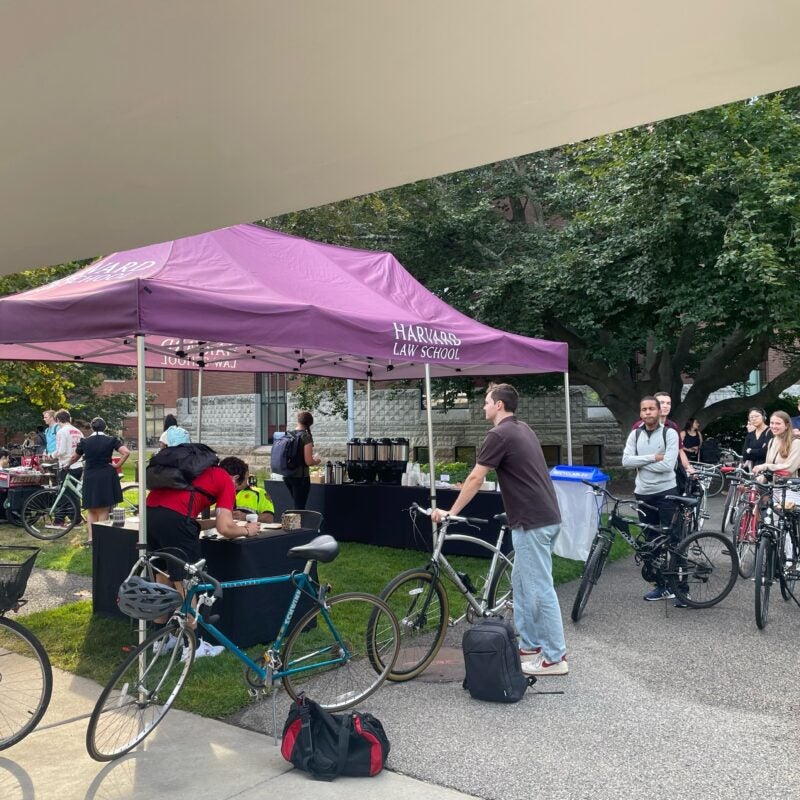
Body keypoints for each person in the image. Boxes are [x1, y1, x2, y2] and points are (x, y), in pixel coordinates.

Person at [431, 383, 567, 677]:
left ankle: (556, 657)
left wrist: (450, 513)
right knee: (521, 584)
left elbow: (476, 477)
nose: (483, 407)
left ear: (499, 406)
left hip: (533, 521)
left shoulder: (499, 433)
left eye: (486, 402)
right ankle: (529, 646)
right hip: (541, 517)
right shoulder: (523, 429)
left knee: (540, 589)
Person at [622, 395, 682, 604]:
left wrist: (640, 463)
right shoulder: (635, 435)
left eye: (651, 409)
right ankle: (661, 586)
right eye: (644, 409)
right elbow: (625, 461)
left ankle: (681, 588)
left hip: (667, 492)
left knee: (674, 540)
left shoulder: (670, 434)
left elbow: (668, 466)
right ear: (640, 413)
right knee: (650, 542)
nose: (648, 412)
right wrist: (652, 457)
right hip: (643, 493)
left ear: (658, 411)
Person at [69, 417, 130, 544]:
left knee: (91, 508)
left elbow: (75, 457)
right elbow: (126, 452)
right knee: (104, 508)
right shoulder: (111, 440)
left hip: (90, 475)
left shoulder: (85, 441)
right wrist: (117, 465)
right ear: (105, 427)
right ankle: (100, 538)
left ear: (92, 427)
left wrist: (67, 464)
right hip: (106, 475)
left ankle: (91, 538)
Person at [283, 411, 321, 510]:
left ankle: (293, 524)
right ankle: (297, 525)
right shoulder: (305, 437)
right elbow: (309, 461)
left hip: (287, 475)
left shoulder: (288, 434)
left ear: (298, 420)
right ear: (310, 423)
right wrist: (317, 460)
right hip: (300, 477)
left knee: (297, 504)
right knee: (299, 507)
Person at [219, 456, 274, 523]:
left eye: (237, 479)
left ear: (246, 473)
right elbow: (208, 513)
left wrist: (246, 516)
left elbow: (269, 518)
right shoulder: (219, 492)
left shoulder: (259, 493)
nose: (233, 484)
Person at [753, 411, 800, 478]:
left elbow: (789, 468)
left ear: (787, 426)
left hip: (787, 487)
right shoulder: (772, 441)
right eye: (772, 423)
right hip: (770, 486)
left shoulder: (796, 443)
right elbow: (768, 470)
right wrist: (756, 483)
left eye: (778, 423)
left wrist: (764, 467)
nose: (774, 426)